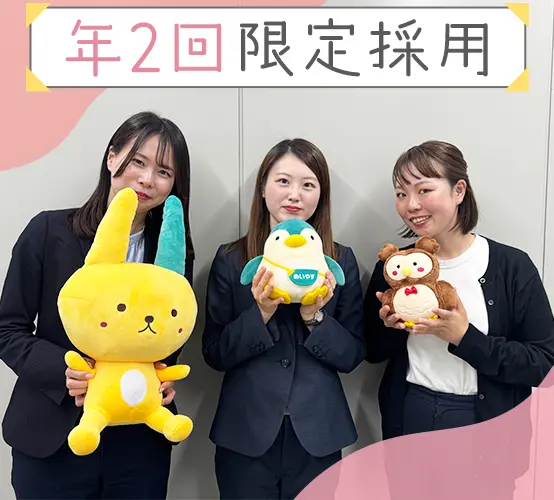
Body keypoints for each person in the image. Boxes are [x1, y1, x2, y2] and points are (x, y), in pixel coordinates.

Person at [0, 111, 195, 499]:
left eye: (163, 171)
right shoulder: (49, 232)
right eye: (138, 161)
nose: (147, 179)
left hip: (139, 442)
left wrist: (162, 374)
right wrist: (64, 371)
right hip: (53, 435)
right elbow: (8, 328)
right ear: (112, 157)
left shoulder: (173, 252)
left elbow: (171, 333)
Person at [363, 140, 554, 498]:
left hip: (486, 429)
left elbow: (542, 365)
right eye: (401, 193)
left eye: (424, 190)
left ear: (459, 190)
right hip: (412, 414)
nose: (411, 205)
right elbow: (372, 352)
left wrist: (465, 337)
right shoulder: (395, 267)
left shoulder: (511, 266)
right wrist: (389, 328)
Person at [202, 138, 365, 499]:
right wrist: (261, 313)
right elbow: (214, 353)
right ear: (262, 188)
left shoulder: (339, 261)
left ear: (321, 195)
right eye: (283, 181)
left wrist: (314, 316)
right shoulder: (232, 259)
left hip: (318, 435)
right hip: (245, 434)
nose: (295, 195)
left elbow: (353, 354)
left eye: (308, 184)